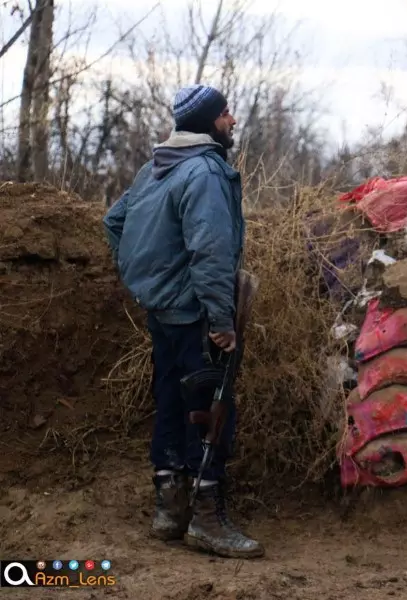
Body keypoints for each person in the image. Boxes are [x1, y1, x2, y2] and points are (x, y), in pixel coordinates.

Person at [102, 84, 263, 559]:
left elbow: (114, 223)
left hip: (163, 312)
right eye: (226, 113)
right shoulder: (207, 172)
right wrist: (221, 321)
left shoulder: (154, 170)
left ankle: (170, 510)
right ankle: (207, 520)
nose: (232, 120)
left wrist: (147, 281)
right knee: (211, 411)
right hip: (196, 313)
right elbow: (210, 252)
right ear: (210, 121)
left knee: (171, 400)